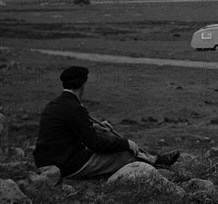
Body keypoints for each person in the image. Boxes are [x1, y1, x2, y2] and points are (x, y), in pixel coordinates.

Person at [33, 66, 180, 179]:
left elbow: (71, 130)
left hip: (46, 159)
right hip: (66, 164)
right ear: (83, 85)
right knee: (124, 155)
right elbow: (95, 144)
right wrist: (126, 143)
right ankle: (154, 163)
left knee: (106, 137)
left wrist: (96, 127)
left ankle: (153, 159)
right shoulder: (75, 108)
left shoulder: (56, 103)